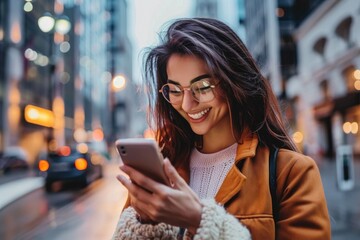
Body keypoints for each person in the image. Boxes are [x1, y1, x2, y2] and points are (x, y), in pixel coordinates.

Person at [112, 18, 331, 240]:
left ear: (233, 82)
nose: (187, 105)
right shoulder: (160, 172)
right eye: (175, 90)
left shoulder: (292, 173)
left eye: (202, 87)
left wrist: (199, 220)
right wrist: (146, 225)